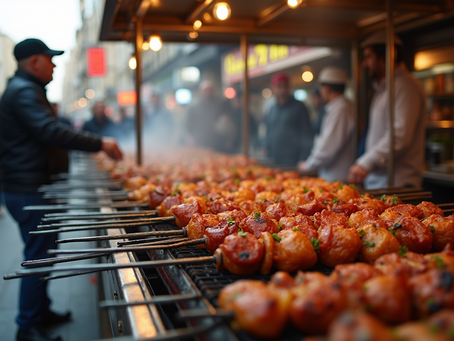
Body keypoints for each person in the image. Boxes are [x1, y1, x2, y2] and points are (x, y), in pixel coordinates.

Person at [0, 38, 123, 341]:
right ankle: (26, 326)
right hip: (28, 189)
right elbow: (49, 131)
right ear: (34, 62)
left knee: (44, 253)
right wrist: (100, 143)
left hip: (31, 185)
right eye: (49, 59)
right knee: (39, 257)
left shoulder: (26, 90)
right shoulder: (23, 91)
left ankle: (41, 311)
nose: (54, 65)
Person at [348, 30, 426, 189]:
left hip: (398, 183)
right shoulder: (385, 88)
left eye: (368, 57)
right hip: (380, 182)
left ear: (385, 58)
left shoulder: (405, 86)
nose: (364, 64)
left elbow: (399, 134)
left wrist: (366, 163)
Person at [297, 66, 354, 181]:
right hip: (333, 175)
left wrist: (308, 165)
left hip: (337, 178)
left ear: (326, 88)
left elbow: (327, 149)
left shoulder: (341, 110)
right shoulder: (339, 108)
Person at [264, 72, 314, 167]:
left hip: (292, 160)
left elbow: (307, 133)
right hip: (274, 158)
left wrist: (303, 158)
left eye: (285, 86)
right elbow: (268, 129)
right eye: (279, 86)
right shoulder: (272, 109)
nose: (282, 90)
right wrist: (266, 145)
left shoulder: (299, 107)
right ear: (273, 87)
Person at [183, 80, 224, 151]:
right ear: (200, 91)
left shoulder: (220, 104)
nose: (208, 92)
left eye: (210, 90)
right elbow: (186, 124)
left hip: (217, 142)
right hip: (199, 142)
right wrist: (189, 138)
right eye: (205, 90)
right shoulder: (193, 106)